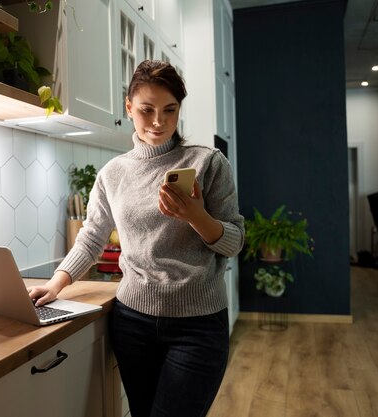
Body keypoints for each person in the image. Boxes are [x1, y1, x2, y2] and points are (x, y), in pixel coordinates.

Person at [28, 60, 244, 417]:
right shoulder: (113, 174)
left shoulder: (207, 162)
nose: (158, 121)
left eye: (169, 110)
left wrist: (196, 216)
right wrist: (56, 283)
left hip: (198, 325)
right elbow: (91, 238)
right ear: (128, 107)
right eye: (147, 110)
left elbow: (234, 242)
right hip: (133, 323)